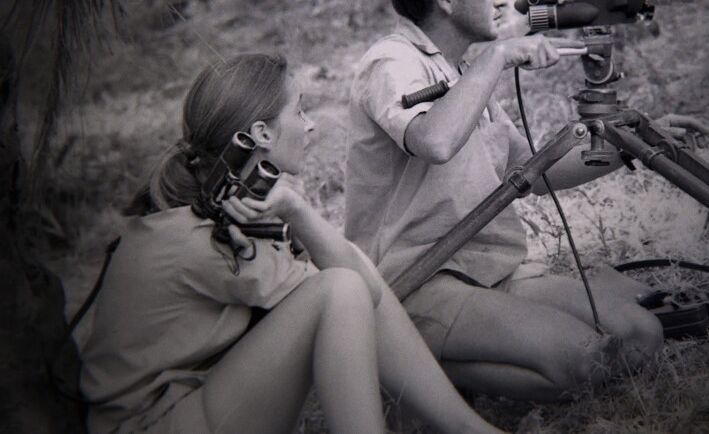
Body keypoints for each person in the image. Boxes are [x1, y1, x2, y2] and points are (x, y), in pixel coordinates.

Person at [344, 0, 709, 402]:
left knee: (641, 335)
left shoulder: (462, 70)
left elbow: (538, 172)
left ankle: (470, 351)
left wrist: (631, 142)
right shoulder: (391, 63)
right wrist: (497, 58)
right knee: (584, 359)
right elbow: (434, 141)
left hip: (492, 272)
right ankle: (410, 364)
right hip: (416, 283)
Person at [79, 54, 502, 434]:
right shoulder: (198, 232)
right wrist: (297, 211)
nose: (310, 123)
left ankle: (467, 428)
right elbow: (351, 291)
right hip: (152, 424)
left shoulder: (218, 205)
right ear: (261, 133)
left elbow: (363, 285)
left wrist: (296, 211)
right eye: (299, 110)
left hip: (186, 404)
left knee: (343, 280)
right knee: (338, 288)